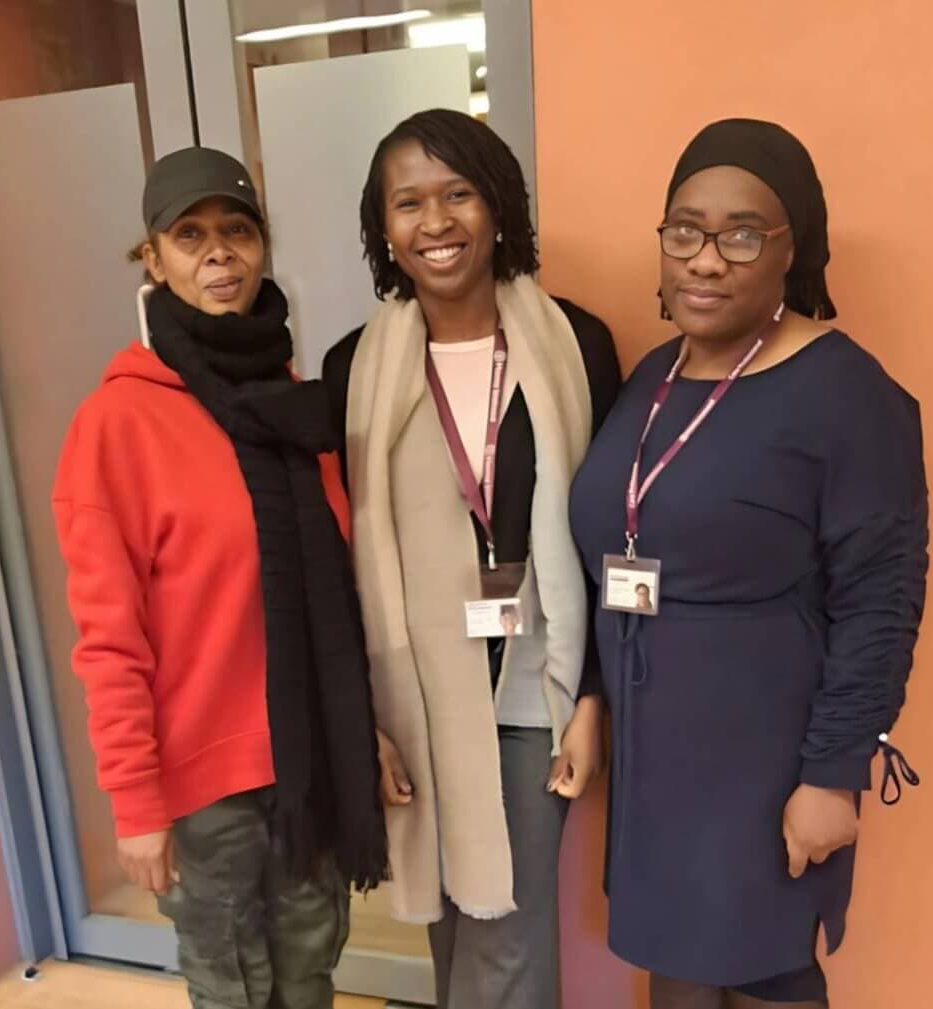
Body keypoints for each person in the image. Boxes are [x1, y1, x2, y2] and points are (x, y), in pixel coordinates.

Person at [570, 119, 928, 1009]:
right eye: (684, 230)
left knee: (765, 968)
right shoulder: (651, 377)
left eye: (739, 235)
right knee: (677, 972)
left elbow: (880, 601)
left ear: (789, 249)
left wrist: (833, 771)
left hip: (764, 753)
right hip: (655, 752)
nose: (704, 259)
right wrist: (591, 699)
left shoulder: (846, 393)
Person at [52, 147, 386, 1009]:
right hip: (204, 791)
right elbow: (108, 635)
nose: (219, 251)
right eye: (189, 233)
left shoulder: (294, 401)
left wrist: (367, 731)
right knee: (235, 991)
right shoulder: (117, 423)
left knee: (310, 975)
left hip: (308, 760)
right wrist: (135, 801)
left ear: (263, 247)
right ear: (153, 258)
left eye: (238, 230)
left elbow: (342, 599)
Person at [322, 109, 621, 1009]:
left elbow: (608, 533)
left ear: (496, 205)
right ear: (384, 227)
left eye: (457, 193)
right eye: (408, 203)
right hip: (412, 688)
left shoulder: (577, 343)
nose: (436, 222)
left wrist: (595, 694)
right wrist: (359, 722)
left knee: (507, 930)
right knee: (451, 927)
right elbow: (338, 556)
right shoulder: (352, 368)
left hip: (538, 677)